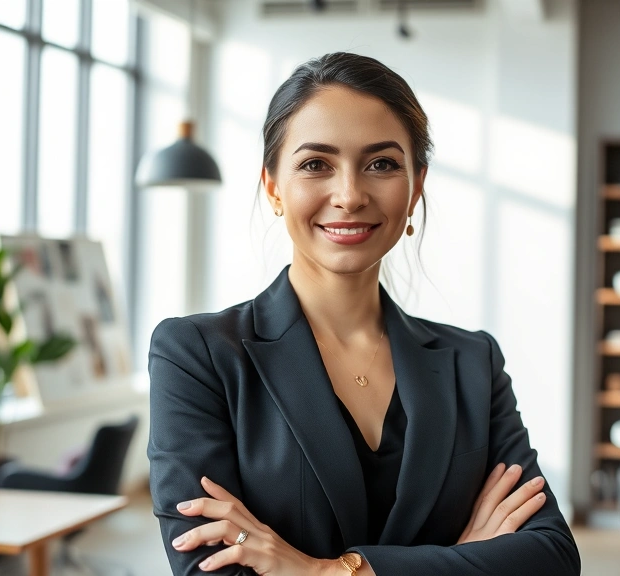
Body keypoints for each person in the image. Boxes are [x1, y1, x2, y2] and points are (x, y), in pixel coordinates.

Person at [148, 52, 581, 576]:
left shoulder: (474, 361)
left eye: (382, 164)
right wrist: (462, 560)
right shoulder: (197, 356)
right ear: (273, 186)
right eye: (316, 164)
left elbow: (551, 557)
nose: (350, 195)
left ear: (416, 186)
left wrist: (330, 571)